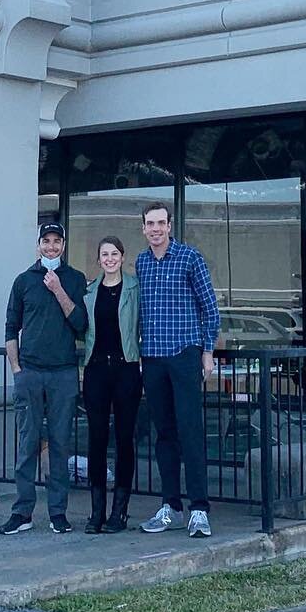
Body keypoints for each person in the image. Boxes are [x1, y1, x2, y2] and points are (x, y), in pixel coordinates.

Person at [135, 201, 221, 538]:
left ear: (170, 225)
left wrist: (207, 352)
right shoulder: (141, 263)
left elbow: (209, 308)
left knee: (190, 432)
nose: (155, 229)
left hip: (185, 354)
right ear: (143, 229)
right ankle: (170, 505)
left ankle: (199, 508)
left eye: (160, 223)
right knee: (164, 435)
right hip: (153, 358)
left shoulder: (189, 258)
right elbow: (140, 313)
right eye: (149, 224)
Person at [0, 220, 88, 536]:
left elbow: (80, 324)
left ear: (63, 245)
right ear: (38, 245)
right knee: (27, 445)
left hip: (63, 373)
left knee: (61, 445)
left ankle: (58, 513)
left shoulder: (75, 279)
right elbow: (11, 327)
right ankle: (22, 512)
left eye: (57, 242)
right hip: (31, 373)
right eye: (46, 241)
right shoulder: (23, 281)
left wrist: (58, 290)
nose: (51, 247)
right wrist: (16, 371)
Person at [79, 235, 142, 534]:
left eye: (114, 253)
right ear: (99, 259)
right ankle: (96, 513)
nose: (109, 259)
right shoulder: (89, 292)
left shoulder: (134, 288)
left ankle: (120, 512)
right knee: (96, 440)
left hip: (126, 369)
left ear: (122, 256)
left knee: (124, 439)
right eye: (104, 254)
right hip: (96, 371)